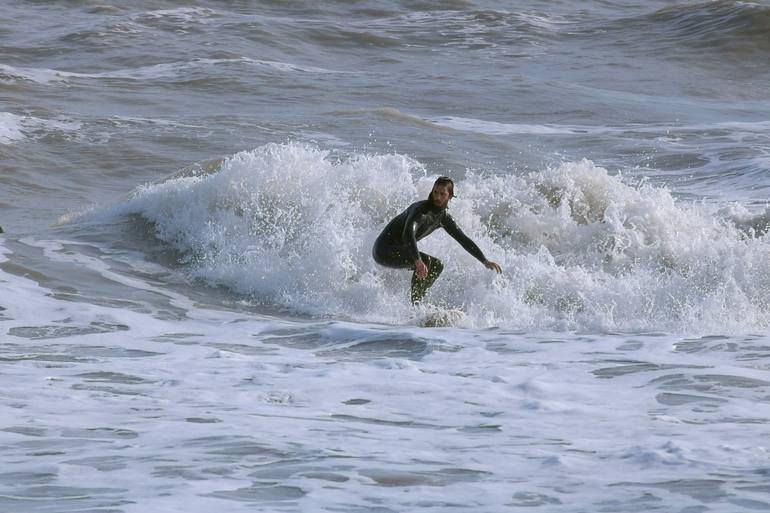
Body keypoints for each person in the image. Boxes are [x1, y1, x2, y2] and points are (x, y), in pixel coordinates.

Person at [372, 176, 502, 304]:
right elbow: (408, 234)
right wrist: (417, 261)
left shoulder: (443, 218)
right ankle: (415, 306)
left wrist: (484, 260)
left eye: (442, 194)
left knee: (437, 265)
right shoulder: (420, 211)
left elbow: (463, 239)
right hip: (383, 250)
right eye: (435, 192)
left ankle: (418, 302)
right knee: (427, 262)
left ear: (450, 196)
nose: (437, 197)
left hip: (399, 250)